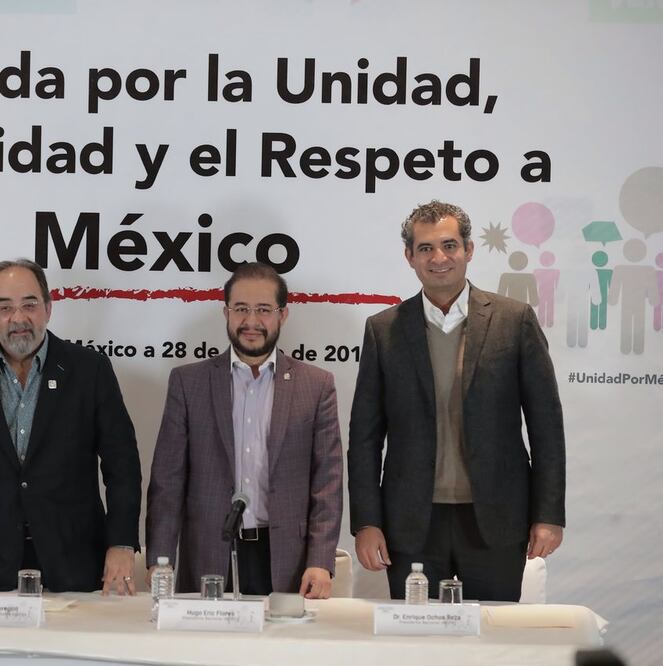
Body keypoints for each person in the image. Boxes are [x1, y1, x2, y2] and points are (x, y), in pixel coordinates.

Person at [348, 200, 566, 601]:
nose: (439, 258)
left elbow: (546, 427)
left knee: (492, 634)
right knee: (416, 635)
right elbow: (364, 438)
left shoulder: (514, 320)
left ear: (469, 249)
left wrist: (548, 514)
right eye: (426, 248)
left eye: (449, 245)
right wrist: (366, 522)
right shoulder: (383, 330)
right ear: (410, 257)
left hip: (496, 520)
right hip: (411, 524)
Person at [0, 259, 142, 594]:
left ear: (48, 308)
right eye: (5, 307)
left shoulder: (90, 371)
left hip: (76, 560)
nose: (18, 318)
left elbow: (122, 465)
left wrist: (121, 543)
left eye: (29, 305)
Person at [146, 262, 343, 598]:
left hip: (287, 559)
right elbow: (168, 481)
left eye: (264, 309)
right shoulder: (188, 383)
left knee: (282, 636)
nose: (251, 321)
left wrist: (320, 560)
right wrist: (160, 559)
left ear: (282, 315)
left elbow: (328, 481)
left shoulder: (316, 386)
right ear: (226, 313)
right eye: (241, 309)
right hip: (209, 554)